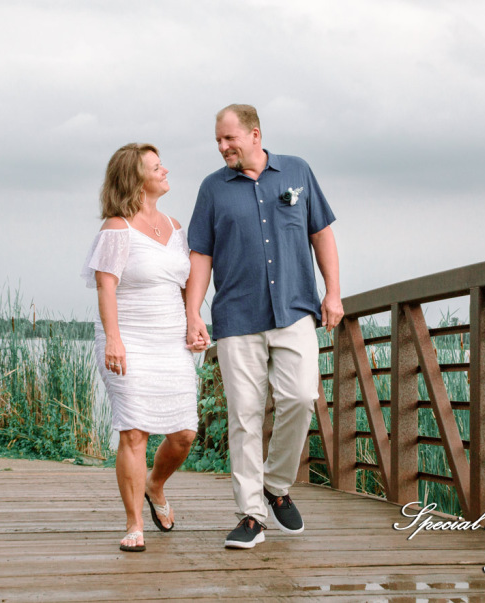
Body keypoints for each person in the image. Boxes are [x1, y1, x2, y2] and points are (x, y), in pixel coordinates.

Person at [185, 104, 343, 549]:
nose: (222, 147)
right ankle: (251, 514)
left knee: (300, 397)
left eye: (229, 139)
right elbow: (201, 254)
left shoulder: (297, 171)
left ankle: (275, 484)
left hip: (295, 310)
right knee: (245, 416)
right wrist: (193, 312)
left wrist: (333, 292)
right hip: (237, 318)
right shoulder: (212, 189)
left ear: (255, 134)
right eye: (217, 140)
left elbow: (321, 235)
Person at [81, 143, 208, 553]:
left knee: (185, 433)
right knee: (134, 431)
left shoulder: (175, 225)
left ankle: (156, 484)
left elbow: (188, 281)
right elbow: (106, 286)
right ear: (136, 178)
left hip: (172, 341)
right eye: (156, 167)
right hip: (129, 338)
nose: (165, 170)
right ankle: (134, 523)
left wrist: (195, 320)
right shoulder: (116, 228)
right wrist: (113, 338)